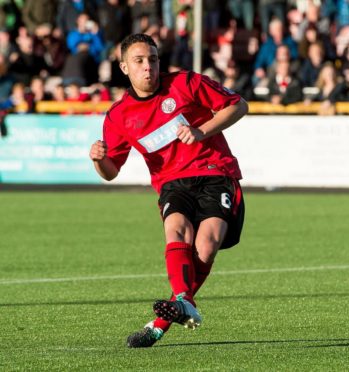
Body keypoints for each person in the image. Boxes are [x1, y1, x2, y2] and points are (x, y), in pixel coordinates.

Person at [89, 33, 248, 348]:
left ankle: (163, 320)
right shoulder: (119, 116)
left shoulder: (187, 84)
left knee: (205, 245)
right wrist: (98, 160)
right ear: (124, 67)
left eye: (152, 59)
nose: (148, 67)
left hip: (215, 171)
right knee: (176, 230)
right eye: (139, 61)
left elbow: (238, 105)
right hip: (172, 183)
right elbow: (111, 172)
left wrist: (201, 131)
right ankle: (181, 305)